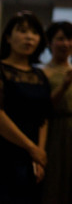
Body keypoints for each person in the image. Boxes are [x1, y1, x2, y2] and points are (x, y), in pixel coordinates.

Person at [0, 11, 50, 204]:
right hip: (5, 150)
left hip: (32, 155)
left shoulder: (40, 75)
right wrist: (31, 147)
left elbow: (44, 117)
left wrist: (39, 155)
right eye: (22, 31)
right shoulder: (2, 70)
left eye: (35, 32)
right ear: (7, 38)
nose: (29, 37)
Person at [41, 21, 72, 204]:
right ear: (49, 43)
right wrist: (64, 85)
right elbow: (44, 108)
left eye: (70, 39)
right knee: (55, 181)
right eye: (60, 39)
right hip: (56, 132)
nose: (66, 44)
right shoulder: (43, 73)